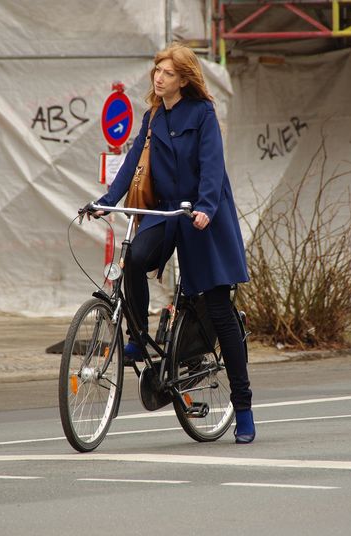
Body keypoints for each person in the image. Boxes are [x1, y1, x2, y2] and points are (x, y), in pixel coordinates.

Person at [94, 43, 255, 444]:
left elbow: (213, 167)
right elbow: (133, 164)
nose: (158, 77)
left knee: (218, 308)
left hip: (203, 215)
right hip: (167, 212)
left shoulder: (202, 114)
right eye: (157, 71)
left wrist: (206, 207)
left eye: (167, 73)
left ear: (183, 79)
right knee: (135, 259)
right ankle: (137, 338)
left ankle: (244, 407)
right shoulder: (152, 117)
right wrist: (107, 201)